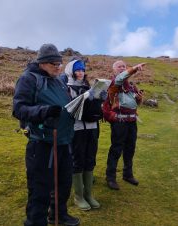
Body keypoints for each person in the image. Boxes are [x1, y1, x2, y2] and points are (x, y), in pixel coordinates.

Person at [13, 44, 80, 226]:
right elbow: (19, 109)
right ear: (42, 63)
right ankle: (36, 221)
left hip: (63, 140)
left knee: (64, 183)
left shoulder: (58, 80)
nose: (58, 67)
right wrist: (44, 112)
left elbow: (64, 105)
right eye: (53, 64)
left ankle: (58, 214)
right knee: (40, 188)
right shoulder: (29, 79)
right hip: (41, 144)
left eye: (60, 63)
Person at [64, 59, 107, 211]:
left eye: (82, 70)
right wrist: (84, 96)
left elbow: (96, 106)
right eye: (77, 70)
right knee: (78, 160)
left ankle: (88, 195)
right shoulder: (67, 88)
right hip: (77, 129)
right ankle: (78, 196)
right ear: (71, 71)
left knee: (90, 159)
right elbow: (69, 108)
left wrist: (101, 96)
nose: (81, 72)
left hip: (92, 127)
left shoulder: (89, 86)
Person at [103, 60, 145, 190]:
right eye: (119, 67)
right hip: (119, 122)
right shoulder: (115, 83)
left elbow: (135, 104)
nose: (122, 68)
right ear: (114, 70)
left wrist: (138, 99)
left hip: (132, 121)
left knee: (130, 148)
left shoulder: (131, 86)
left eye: (124, 66)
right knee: (116, 149)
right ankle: (110, 177)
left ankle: (127, 174)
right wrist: (135, 69)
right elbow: (122, 77)